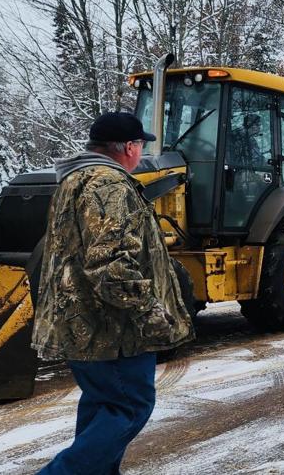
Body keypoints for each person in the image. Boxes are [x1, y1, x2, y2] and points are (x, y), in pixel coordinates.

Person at [33, 111, 194, 475]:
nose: (141, 154)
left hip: (83, 324)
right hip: (114, 329)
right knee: (129, 406)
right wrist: (150, 312)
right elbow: (109, 265)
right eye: (140, 145)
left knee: (102, 407)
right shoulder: (109, 186)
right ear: (128, 147)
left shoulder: (74, 181)